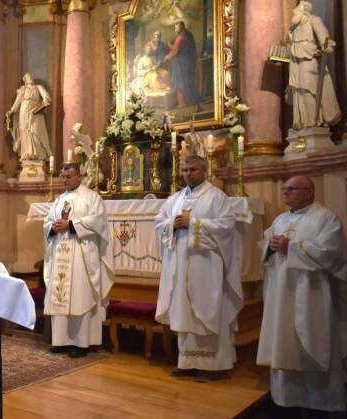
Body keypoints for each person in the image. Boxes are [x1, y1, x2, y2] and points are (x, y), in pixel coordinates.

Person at [257, 175, 346, 413]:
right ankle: (285, 398)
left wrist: (291, 247)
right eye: (284, 189)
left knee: (314, 339)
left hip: (311, 293)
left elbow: (331, 251)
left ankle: (320, 402)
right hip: (281, 292)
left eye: (292, 189)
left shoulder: (325, 218)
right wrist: (270, 247)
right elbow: (266, 246)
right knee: (283, 340)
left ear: (309, 192)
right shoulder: (280, 219)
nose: (285, 193)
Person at [155, 155, 243, 381]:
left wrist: (193, 224)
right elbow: (160, 221)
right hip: (181, 263)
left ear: (204, 170)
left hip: (207, 266)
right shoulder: (175, 199)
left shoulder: (216, 197)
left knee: (208, 309)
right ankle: (188, 362)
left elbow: (226, 226)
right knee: (185, 312)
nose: (188, 174)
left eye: (193, 169)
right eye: (185, 170)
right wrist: (172, 225)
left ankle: (214, 366)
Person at [43, 163, 114, 358]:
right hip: (60, 251)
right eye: (63, 176)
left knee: (80, 295)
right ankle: (61, 341)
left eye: (69, 176)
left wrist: (71, 225)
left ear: (79, 177)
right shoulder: (59, 200)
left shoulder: (92, 197)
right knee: (61, 294)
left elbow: (98, 222)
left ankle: (81, 343)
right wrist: (52, 227)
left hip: (81, 255)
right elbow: (47, 222)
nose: (65, 180)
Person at [286, 1, 341, 130]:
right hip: (296, 64)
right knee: (298, 91)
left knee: (307, 88)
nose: (294, 12)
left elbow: (324, 37)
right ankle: (303, 123)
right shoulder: (294, 29)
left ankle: (312, 122)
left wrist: (325, 46)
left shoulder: (313, 20)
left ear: (304, 11)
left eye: (297, 10)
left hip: (309, 61)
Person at [5, 73, 53, 162]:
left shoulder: (39, 87)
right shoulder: (23, 89)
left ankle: (39, 154)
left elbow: (46, 97)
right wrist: (12, 110)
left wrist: (44, 103)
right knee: (24, 130)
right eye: (27, 78)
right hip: (24, 110)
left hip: (36, 110)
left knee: (37, 131)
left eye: (30, 77)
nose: (29, 79)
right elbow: (17, 101)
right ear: (25, 81)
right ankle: (26, 154)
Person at [163, 21, 199, 107]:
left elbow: (176, 51)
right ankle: (191, 101)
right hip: (188, 62)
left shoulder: (180, 37)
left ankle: (182, 103)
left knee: (179, 82)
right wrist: (171, 47)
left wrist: (166, 57)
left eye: (176, 27)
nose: (175, 29)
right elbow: (179, 48)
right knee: (187, 82)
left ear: (181, 27)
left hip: (180, 64)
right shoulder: (188, 34)